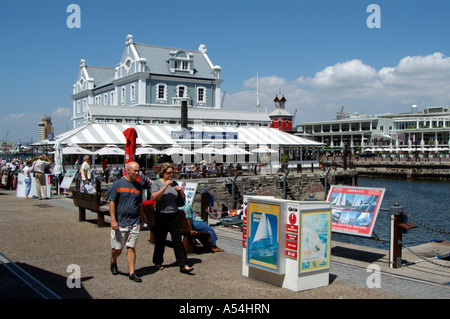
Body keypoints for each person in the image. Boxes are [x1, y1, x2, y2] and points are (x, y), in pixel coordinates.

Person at [151, 162, 194, 274]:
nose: (171, 175)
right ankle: (158, 261)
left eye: (173, 172)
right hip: (161, 214)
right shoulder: (156, 183)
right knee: (160, 240)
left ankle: (183, 264)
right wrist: (165, 186)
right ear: (163, 173)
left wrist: (180, 190)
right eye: (169, 173)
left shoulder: (174, 183)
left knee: (177, 240)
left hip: (174, 214)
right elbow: (154, 197)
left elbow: (183, 200)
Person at [108, 161, 144, 283]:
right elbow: (111, 202)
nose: (137, 173)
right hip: (120, 221)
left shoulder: (138, 186)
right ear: (127, 170)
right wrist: (113, 219)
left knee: (131, 247)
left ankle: (132, 272)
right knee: (117, 249)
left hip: (134, 221)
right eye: (135, 171)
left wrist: (141, 220)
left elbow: (139, 204)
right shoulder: (117, 184)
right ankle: (113, 260)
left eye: (138, 171)